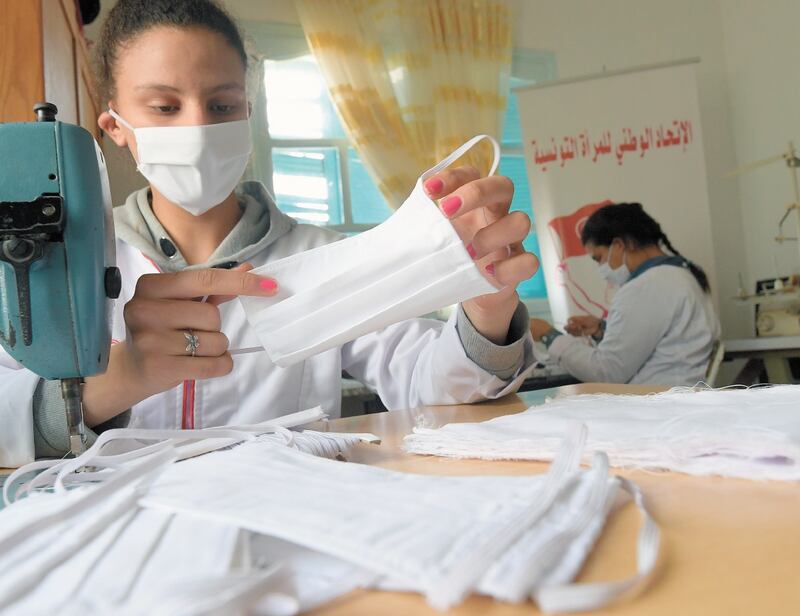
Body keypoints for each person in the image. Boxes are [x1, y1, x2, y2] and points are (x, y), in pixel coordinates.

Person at [0, 0, 539, 465]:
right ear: (115, 126)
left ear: (248, 115)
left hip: (288, 534)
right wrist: (118, 378)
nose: (198, 128)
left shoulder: (320, 256)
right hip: (124, 547)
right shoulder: (64, 263)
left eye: (222, 105)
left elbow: (431, 384)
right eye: (165, 106)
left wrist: (485, 312)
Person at [529, 202, 720, 385]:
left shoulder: (648, 286)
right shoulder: (678, 274)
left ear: (619, 245)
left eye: (599, 258)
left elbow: (606, 371)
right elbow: (655, 344)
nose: (601, 268)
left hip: (661, 406)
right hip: (677, 397)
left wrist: (548, 335)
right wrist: (601, 330)